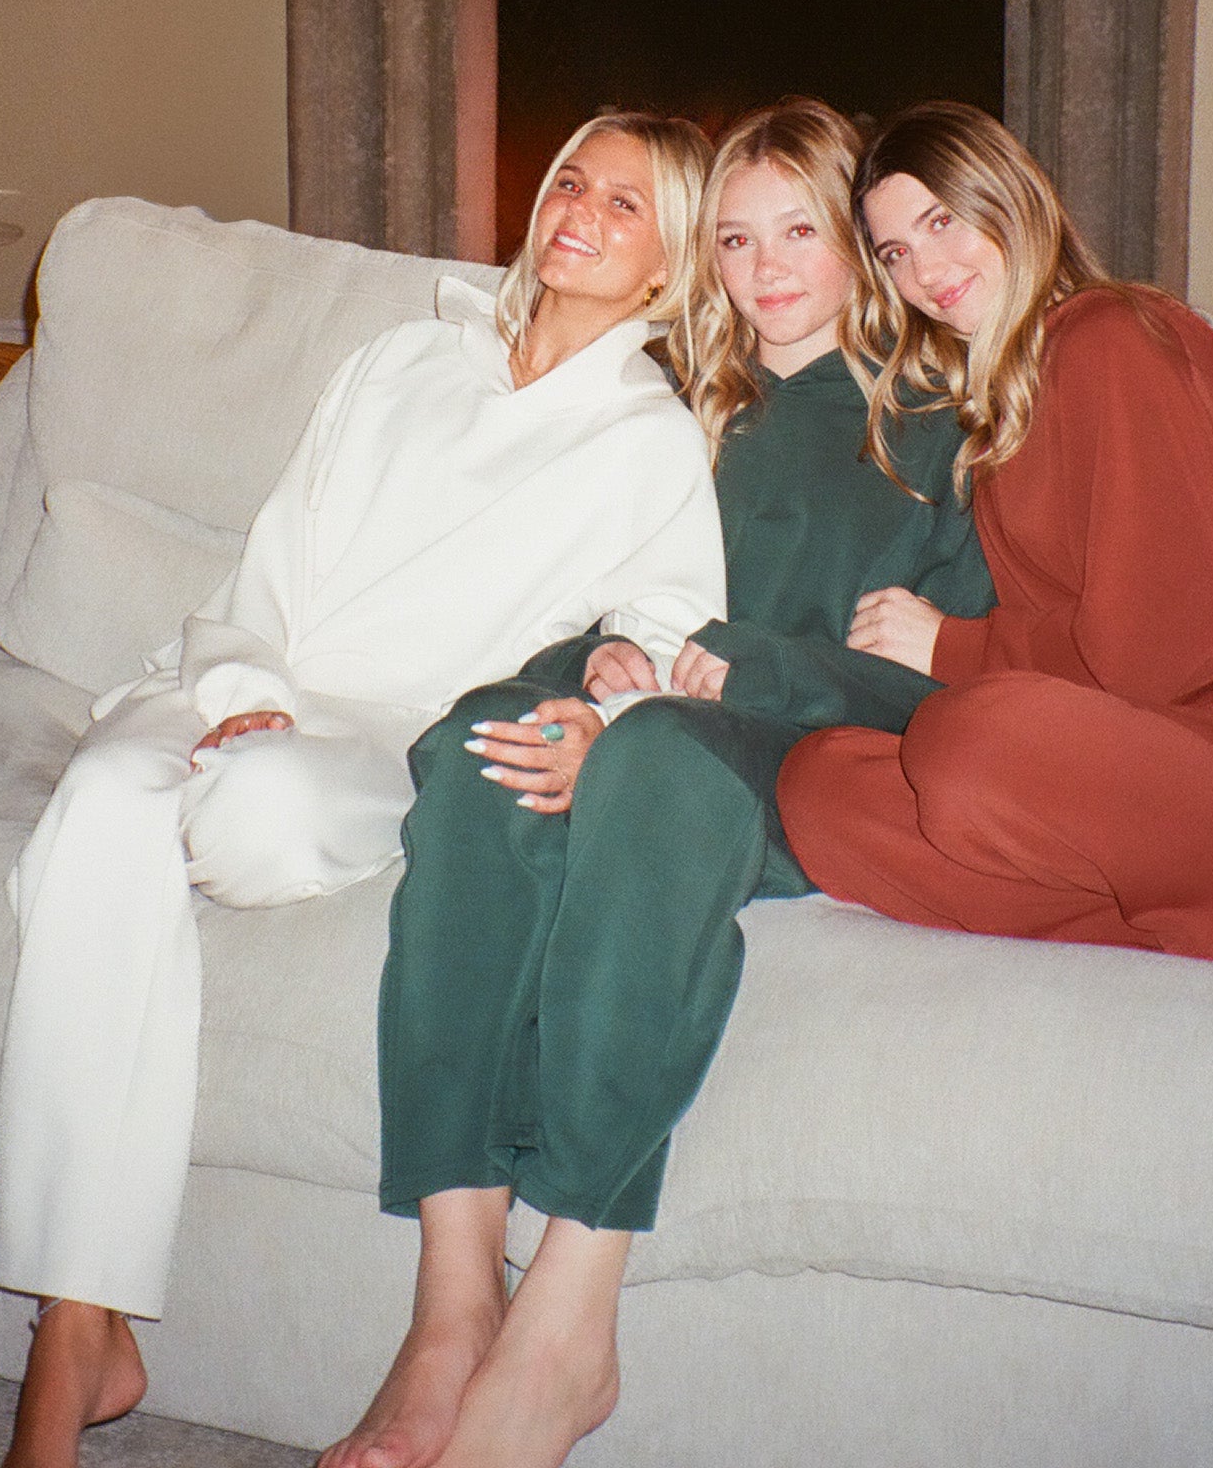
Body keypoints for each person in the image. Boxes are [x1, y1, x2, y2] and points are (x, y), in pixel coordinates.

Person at [0, 113, 725, 1468]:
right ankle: (73, 1340)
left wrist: (612, 697)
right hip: (237, 677)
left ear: (672, 263)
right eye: (571, 180)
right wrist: (232, 692)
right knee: (97, 809)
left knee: (250, 815)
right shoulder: (405, 354)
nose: (579, 210)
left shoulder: (646, 444)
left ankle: (84, 1340)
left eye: (628, 205)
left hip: (386, 749)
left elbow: (675, 639)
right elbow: (267, 566)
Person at [322, 98, 995, 1468]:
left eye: (799, 230)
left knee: (655, 780)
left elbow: (949, 689)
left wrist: (721, 676)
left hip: (814, 757)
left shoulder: (941, 427)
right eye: (733, 238)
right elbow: (611, 594)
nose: (763, 268)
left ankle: (566, 1320)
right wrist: (606, 664)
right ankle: (452, 1302)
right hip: (648, 715)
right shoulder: (688, 403)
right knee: (472, 751)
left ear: (861, 248)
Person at [777, 98, 1213, 996]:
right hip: (1131, 828)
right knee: (823, 789)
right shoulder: (997, 409)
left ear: (1008, 197)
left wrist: (952, 647)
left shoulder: (1109, 338)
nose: (926, 268)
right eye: (895, 252)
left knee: (972, 739)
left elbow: (1161, 655)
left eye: (940, 220)